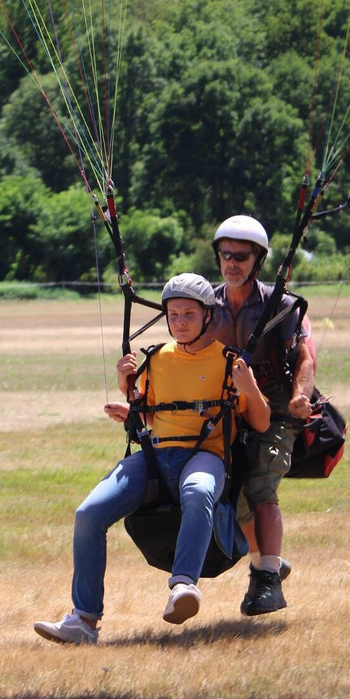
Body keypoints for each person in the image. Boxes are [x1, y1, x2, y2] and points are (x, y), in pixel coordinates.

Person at [33, 273, 270, 645]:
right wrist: (127, 402)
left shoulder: (230, 361)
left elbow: (261, 421)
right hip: (157, 456)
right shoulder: (157, 358)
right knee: (88, 514)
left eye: (189, 314)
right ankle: (84, 620)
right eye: (173, 314)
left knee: (198, 491)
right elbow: (146, 417)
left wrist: (250, 389)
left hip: (205, 455)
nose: (180, 322)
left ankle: (183, 586)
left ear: (208, 316)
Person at [207, 215, 315, 616]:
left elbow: (305, 356)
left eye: (241, 256)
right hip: (226, 410)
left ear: (258, 260)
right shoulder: (206, 304)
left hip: (276, 409)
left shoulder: (280, 305)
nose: (232, 263)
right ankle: (267, 561)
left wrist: (300, 396)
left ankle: (267, 580)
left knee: (260, 484)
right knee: (227, 491)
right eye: (226, 255)